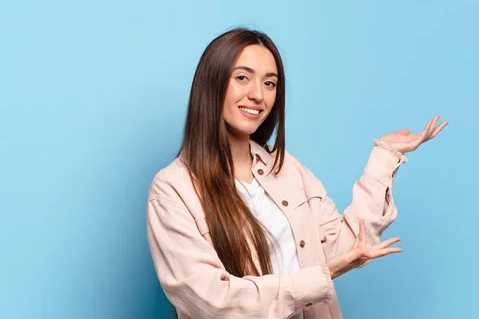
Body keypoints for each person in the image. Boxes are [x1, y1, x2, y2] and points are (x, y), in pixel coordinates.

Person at [146, 27, 448, 319]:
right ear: (212, 84)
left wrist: (383, 158)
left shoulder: (286, 167)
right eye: (242, 78)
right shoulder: (172, 190)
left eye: (270, 83)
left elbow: (346, 246)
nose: (258, 95)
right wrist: (324, 275)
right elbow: (213, 303)